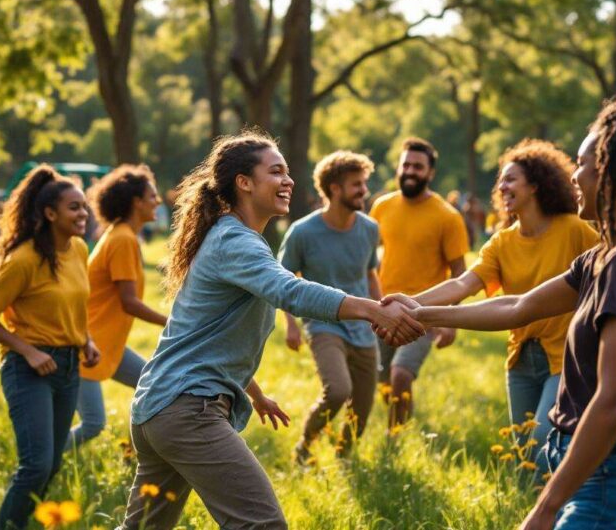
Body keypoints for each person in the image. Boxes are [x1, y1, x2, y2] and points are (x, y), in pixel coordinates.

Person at [394, 101, 616, 530]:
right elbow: (519, 306)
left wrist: (546, 507)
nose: (573, 177)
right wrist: (421, 313)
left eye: (582, 165)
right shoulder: (603, 259)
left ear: (613, 175)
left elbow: (614, 401)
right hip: (605, 479)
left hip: (614, 484)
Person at [118, 132, 423, 530]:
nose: (288, 181)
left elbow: (201, 334)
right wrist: (371, 310)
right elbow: (290, 291)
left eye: (288, 172)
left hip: (160, 408)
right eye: (275, 171)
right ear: (243, 182)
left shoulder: (232, 238)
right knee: (263, 525)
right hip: (187, 410)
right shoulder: (234, 240)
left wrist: (253, 391)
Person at [386, 139, 597, 473]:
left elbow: (608, 269)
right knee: (525, 455)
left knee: (545, 447)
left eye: (511, 179)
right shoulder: (502, 242)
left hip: (566, 357)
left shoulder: (574, 230)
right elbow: (462, 285)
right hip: (520, 358)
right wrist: (407, 303)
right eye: (502, 179)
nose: (502, 186)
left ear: (536, 186)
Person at [0, 165, 101, 530]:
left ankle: (21, 524)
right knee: (37, 465)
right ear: (49, 213)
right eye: (74, 207)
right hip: (29, 370)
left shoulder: (78, 249)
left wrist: (86, 340)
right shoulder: (24, 259)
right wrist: (27, 350)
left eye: (84, 207)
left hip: (69, 365)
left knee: (54, 463)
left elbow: (73, 304)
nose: (83, 214)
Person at [278, 151, 381, 464]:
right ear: (334, 189)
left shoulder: (369, 228)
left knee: (361, 408)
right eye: (356, 184)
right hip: (323, 324)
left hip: (364, 326)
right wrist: (292, 325)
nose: (364, 190)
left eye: (364, 183)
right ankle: (305, 446)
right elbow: (280, 279)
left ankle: (343, 458)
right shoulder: (303, 232)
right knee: (337, 390)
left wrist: (382, 314)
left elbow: (370, 275)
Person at [369, 137, 469, 428]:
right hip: (383, 308)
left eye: (418, 166)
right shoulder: (381, 207)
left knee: (401, 373)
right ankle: (402, 422)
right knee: (384, 379)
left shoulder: (447, 217)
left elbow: (460, 272)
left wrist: (450, 320)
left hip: (423, 312)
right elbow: (367, 258)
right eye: (406, 165)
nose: (411, 171)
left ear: (430, 173)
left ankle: (396, 438)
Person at [67, 166, 168, 450]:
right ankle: (40, 464)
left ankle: (140, 448)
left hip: (106, 341)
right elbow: (129, 301)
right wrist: (173, 322)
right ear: (136, 202)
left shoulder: (122, 235)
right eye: (152, 196)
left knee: (155, 384)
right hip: (87, 343)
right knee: (93, 424)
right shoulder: (122, 238)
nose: (158, 202)